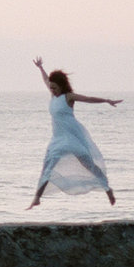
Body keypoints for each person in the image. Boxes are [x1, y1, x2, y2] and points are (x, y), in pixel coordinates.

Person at [29, 57, 121, 209]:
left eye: (54, 87)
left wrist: (106, 100)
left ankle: (107, 189)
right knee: (47, 166)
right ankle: (37, 198)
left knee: (88, 164)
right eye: (51, 88)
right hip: (57, 139)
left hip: (72, 137)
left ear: (61, 86)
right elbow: (46, 80)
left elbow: (88, 99)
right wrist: (40, 68)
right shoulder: (53, 96)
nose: (52, 90)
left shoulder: (68, 97)